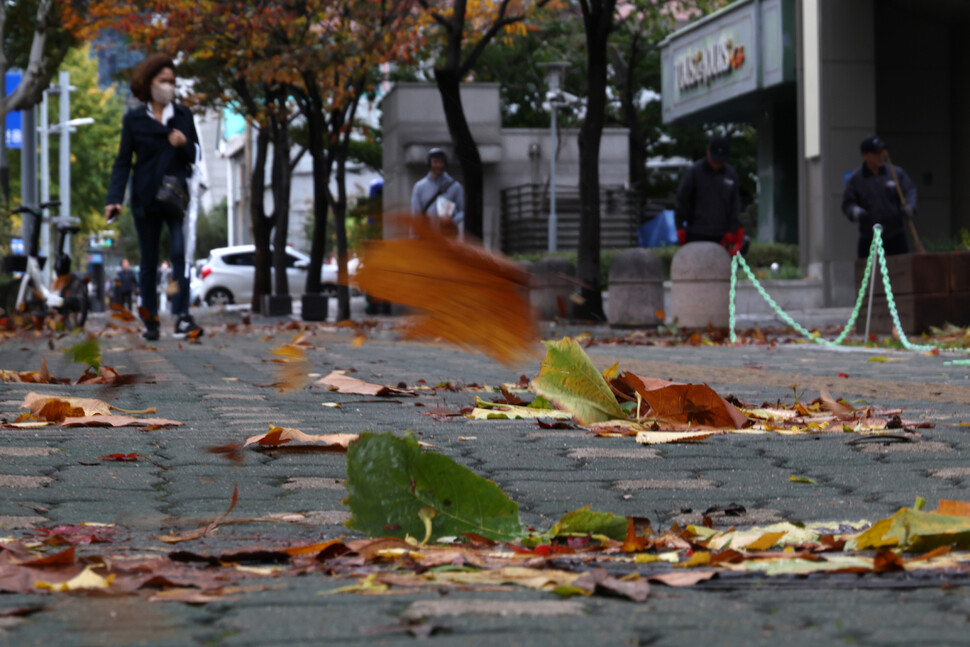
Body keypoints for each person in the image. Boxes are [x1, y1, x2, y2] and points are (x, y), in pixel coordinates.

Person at [105, 53, 203, 341]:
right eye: (163, 81)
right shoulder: (135, 119)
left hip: (175, 198)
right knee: (148, 262)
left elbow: (197, 155)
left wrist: (185, 143)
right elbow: (123, 161)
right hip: (145, 200)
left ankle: (182, 315)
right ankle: (150, 319)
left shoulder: (184, 116)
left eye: (172, 81)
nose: (169, 86)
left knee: (178, 254)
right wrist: (114, 198)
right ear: (149, 84)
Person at [842, 135, 916, 258]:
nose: (880, 156)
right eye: (876, 153)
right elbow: (848, 203)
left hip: (895, 233)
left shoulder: (895, 173)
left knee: (902, 270)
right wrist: (854, 211)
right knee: (867, 271)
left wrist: (910, 207)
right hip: (869, 235)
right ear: (865, 154)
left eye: (882, 152)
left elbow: (910, 190)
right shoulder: (856, 179)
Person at [675, 136, 744, 255]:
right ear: (708, 152)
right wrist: (680, 225)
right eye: (715, 160)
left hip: (722, 234)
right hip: (696, 232)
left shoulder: (731, 174)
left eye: (720, 161)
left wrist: (733, 229)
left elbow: (735, 204)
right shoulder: (694, 172)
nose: (717, 164)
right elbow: (682, 199)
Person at [411, 148, 464, 234]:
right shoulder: (419, 187)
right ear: (429, 163)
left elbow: (463, 211)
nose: (439, 165)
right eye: (435, 162)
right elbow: (416, 216)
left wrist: (452, 221)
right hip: (428, 236)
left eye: (441, 162)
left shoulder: (455, 186)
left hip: (449, 236)